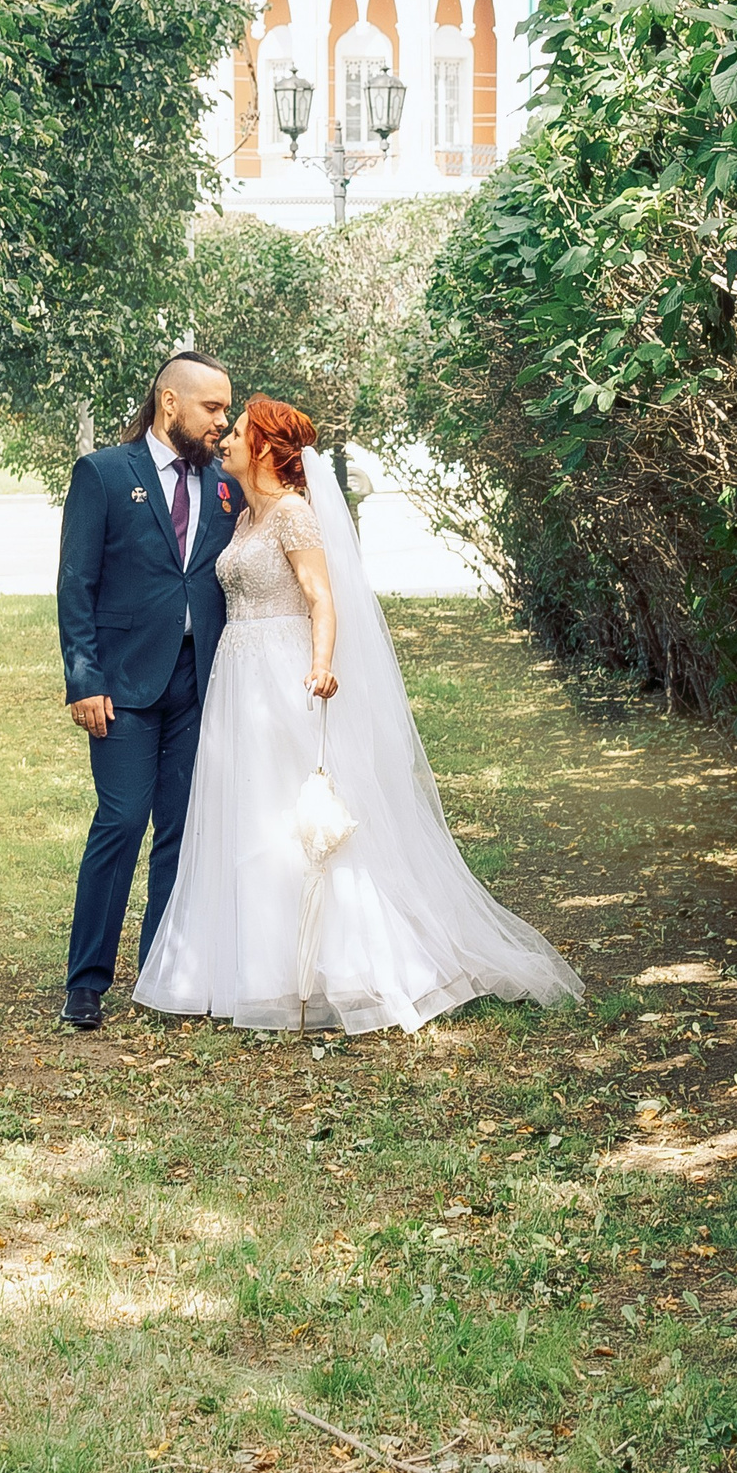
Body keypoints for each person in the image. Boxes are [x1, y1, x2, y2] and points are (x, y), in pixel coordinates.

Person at [133, 395, 583, 1033]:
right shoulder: (246, 517)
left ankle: (343, 966)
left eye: (238, 431)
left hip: (283, 670)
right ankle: (254, 970)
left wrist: (319, 665)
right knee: (246, 810)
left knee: (297, 814)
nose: (225, 438)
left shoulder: (293, 514)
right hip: (237, 674)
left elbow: (322, 599)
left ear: (263, 448)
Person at [55, 351, 239, 1031]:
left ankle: (163, 974)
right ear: (170, 403)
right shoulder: (103, 474)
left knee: (182, 830)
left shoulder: (226, 485)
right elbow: (76, 583)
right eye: (212, 407)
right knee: (123, 819)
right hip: (123, 685)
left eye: (226, 409)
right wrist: (84, 678)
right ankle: (86, 981)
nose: (223, 421)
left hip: (200, 681)